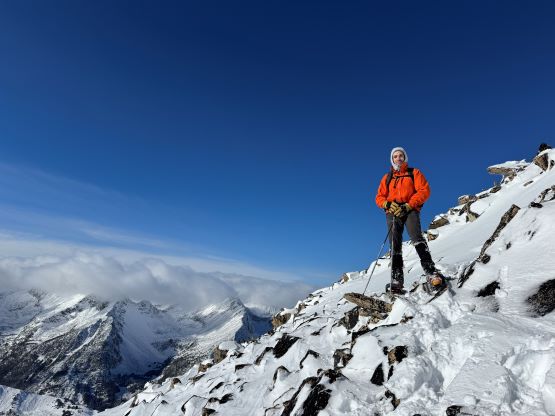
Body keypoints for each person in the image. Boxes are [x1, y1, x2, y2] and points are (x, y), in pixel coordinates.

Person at [375, 147, 443, 294]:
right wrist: (387, 204)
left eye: (401, 156)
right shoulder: (387, 177)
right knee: (395, 244)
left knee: (417, 238)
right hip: (393, 212)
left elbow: (424, 190)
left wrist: (409, 205)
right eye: (395, 156)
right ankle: (396, 280)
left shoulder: (414, 173)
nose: (398, 158)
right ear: (392, 159)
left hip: (410, 209)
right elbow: (379, 197)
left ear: (405, 158)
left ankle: (431, 273)